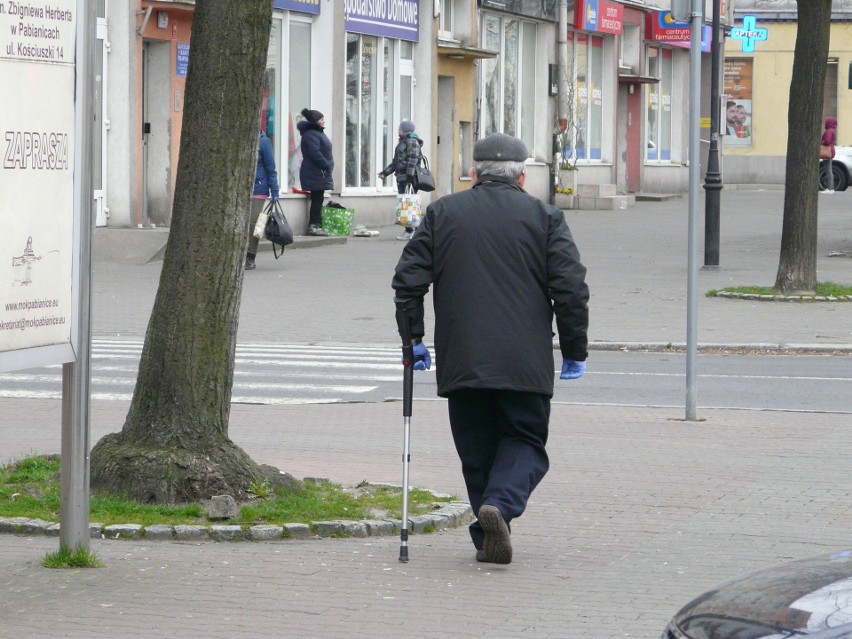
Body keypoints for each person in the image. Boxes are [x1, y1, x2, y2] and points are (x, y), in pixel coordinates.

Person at [392, 132, 590, 565]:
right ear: (522, 177)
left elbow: (407, 282)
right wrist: (575, 349)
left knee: (476, 448)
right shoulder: (545, 218)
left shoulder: (443, 213)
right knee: (524, 440)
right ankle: (498, 507)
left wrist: (414, 338)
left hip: (463, 359)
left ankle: (487, 537)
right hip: (524, 362)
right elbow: (570, 290)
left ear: (474, 174)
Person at [379, 119, 422, 240]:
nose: (398, 130)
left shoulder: (412, 142)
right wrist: (385, 173)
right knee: (407, 205)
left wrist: (409, 176)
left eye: (400, 129)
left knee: (408, 205)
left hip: (409, 178)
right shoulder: (403, 142)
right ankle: (414, 230)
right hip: (402, 177)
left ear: (404, 130)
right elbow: (396, 162)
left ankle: (411, 230)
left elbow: (413, 160)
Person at [245, 129, 279, 271]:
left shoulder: (264, 142)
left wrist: (275, 190)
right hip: (241, 189)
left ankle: (251, 256)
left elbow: (271, 168)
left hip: (259, 189)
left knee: (256, 223)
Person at [298, 108, 334, 236]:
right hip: (316, 172)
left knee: (318, 198)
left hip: (319, 172)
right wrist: (326, 165)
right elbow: (315, 153)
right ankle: (313, 226)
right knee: (317, 199)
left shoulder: (316, 133)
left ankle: (317, 224)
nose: (324, 121)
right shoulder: (311, 134)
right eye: (321, 119)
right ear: (315, 121)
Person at [821, 116, 837, 194]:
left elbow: (827, 141)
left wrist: (822, 142)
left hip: (827, 151)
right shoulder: (832, 130)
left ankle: (830, 188)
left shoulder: (829, 131)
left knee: (828, 170)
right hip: (830, 150)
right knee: (828, 169)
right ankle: (830, 188)